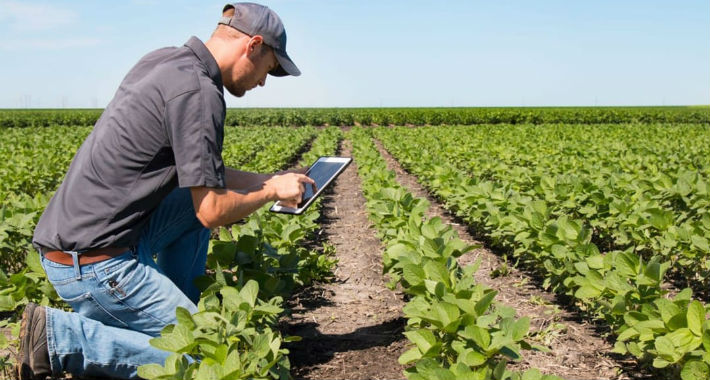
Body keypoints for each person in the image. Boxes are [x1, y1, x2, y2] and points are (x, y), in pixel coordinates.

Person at [18, 3, 314, 379]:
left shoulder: (166, 62)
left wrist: (268, 178)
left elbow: (209, 180)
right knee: (207, 357)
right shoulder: (200, 93)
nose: (262, 82)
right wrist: (272, 193)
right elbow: (212, 210)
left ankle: (172, 313)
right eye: (268, 69)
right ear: (253, 45)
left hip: (87, 240)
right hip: (94, 264)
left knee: (190, 207)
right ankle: (62, 339)